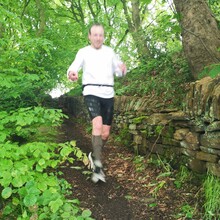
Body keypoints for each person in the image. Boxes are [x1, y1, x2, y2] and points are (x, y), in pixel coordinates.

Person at [67, 23, 127, 183]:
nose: (98, 38)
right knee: (98, 125)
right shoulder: (83, 52)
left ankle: (94, 155)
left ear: (103, 36)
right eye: (95, 35)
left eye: (101, 35)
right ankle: (98, 168)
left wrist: (122, 69)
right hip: (91, 91)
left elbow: (118, 71)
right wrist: (72, 73)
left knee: (105, 133)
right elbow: (73, 67)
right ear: (89, 36)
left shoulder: (110, 52)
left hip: (108, 93)